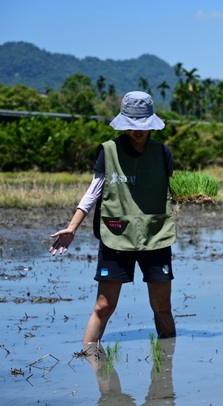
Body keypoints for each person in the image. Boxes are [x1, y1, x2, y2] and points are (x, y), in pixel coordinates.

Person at [49, 91, 176, 346]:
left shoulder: (162, 152)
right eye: (131, 124)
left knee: (162, 306)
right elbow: (94, 192)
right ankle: (89, 358)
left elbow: (175, 191)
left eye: (142, 125)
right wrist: (72, 228)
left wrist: (196, 197)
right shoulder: (109, 151)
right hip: (116, 234)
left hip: (155, 235)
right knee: (104, 305)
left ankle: (167, 371)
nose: (137, 131)